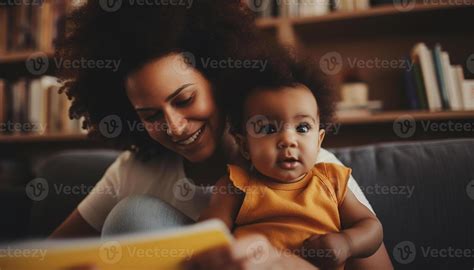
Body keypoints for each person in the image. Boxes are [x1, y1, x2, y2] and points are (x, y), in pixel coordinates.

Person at [50, 1, 393, 269]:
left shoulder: (306, 162)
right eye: (151, 115)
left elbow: (369, 242)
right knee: (134, 217)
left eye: (185, 100)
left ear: (220, 79)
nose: (175, 126)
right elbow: (49, 256)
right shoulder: (135, 169)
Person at [198, 58, 383, 269]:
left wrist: (347, 243)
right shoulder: (236, 185)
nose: (288, 140)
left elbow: (371, 227)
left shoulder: (332, 180)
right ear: (244, 145)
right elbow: (207, 233)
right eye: (268, 129)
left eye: (302, 128)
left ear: (319, 140)